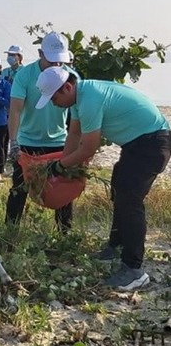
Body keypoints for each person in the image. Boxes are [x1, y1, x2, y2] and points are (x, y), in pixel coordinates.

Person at [36, 66, 170, 290]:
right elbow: (74, 135)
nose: (53, 103)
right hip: (136, 143)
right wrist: (64, 163)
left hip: (153, 142)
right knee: (119, 188)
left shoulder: (89, 100)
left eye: (54, 98)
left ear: (67, 87)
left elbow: (88, 148)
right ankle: (114, 247)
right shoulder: (79, 97)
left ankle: (134, 269)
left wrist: (58, 167)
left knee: (130, 200)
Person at [5, 32, 73, 233]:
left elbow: (77, 114)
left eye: (60, 61)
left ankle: (65, 235)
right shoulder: (24, 75)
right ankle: (10, 231)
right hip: (28, 142)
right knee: (19, 189)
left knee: (63, 190)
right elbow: (15, 109)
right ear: (40, 53)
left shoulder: (71, 75)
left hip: (59, 141)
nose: (56, 65)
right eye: (52, 60)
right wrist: (13, 141)